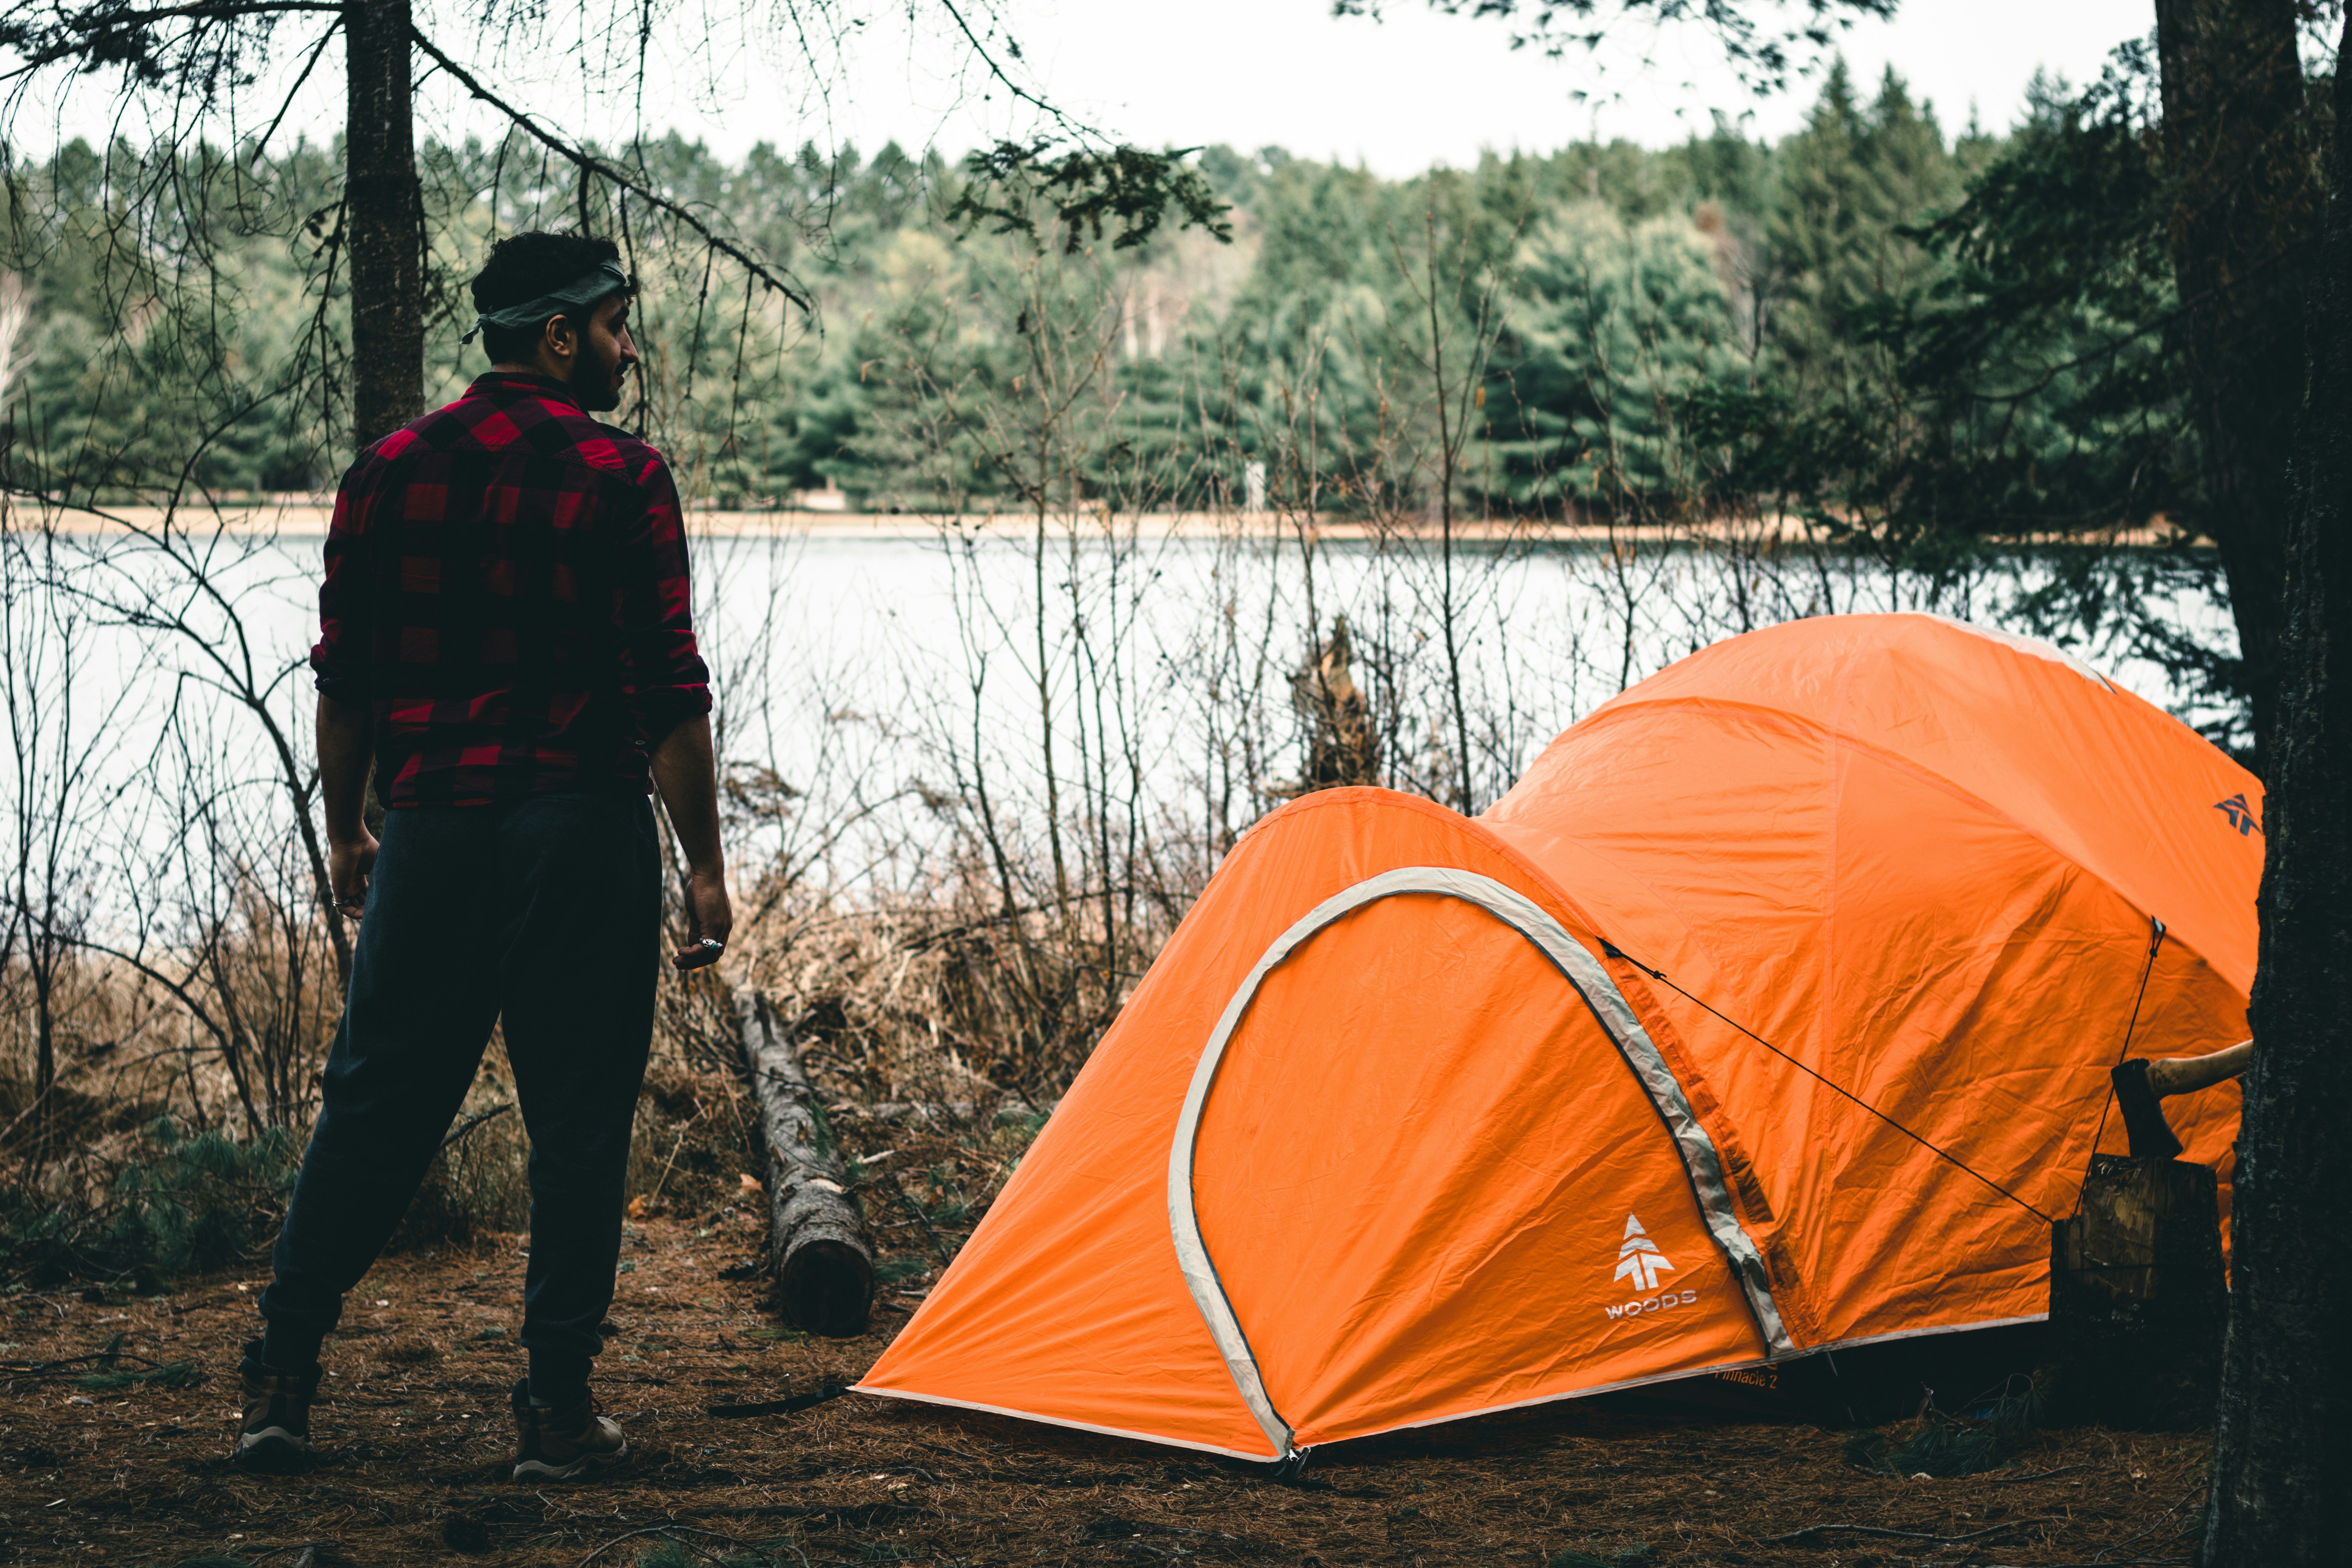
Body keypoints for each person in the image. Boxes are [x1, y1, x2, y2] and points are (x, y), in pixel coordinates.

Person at [234, 230, 733, 1481]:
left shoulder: (387, 472)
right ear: (559, 336)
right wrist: (708, 867)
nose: (628, 348)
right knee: (577, 1120)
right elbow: (670, 696)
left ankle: (281, 1380)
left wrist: (350, 826)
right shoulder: (625, 478)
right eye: (616, 325)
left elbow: (347, 682)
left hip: (436, 835)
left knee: (376, 1102)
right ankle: (556, 1416)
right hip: (578, 832)